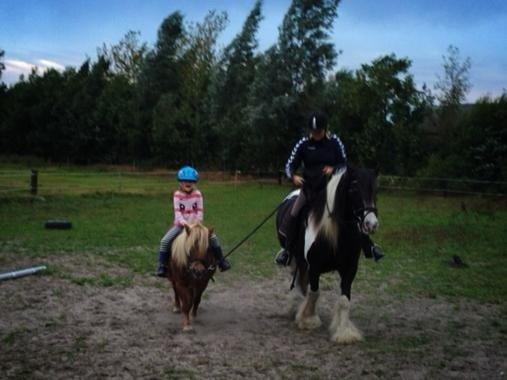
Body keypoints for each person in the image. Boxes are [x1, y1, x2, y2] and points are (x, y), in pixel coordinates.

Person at [276, 111, 384, 265]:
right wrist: (292, 176)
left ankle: (369, 247)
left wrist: (333, 169)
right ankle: (286, 250)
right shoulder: (303, 144)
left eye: (318, 131)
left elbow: (344, 165)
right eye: (313, 132)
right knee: (293, 214)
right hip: (310, 189)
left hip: (332, 190)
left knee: (352, 212)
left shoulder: (334, 142)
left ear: (324, 129)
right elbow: (289, 165)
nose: (316, 135)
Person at [156, 166, 231, 277]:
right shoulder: (177, 195)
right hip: (181, 225)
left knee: (213, 238)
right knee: (165, 241)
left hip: (196, 225)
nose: (188, 183)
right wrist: (186, 225)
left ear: (194, 182)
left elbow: (199, 212)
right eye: (185, 181)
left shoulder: (198, 194)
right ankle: (162, 265)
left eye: (191, 181)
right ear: (180, 182)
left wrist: (196, 224)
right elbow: (178, 214)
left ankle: (221, 261)